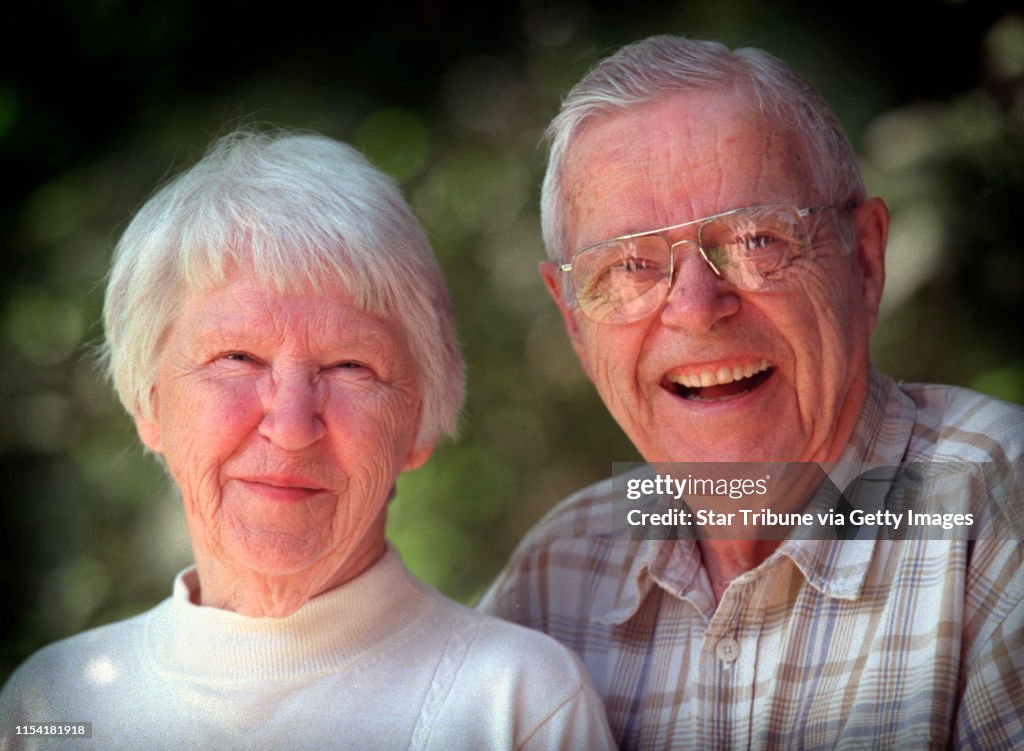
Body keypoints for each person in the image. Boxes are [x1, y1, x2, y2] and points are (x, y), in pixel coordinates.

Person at [480, 35, 1024, 749]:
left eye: (756, 240)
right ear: (575, 323)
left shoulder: (998, 516)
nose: (698, 308)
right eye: (630, 265)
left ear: (863, 260)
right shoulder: (556, 575)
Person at [0, 129, 615, 750]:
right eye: (237, 356)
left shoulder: (516, 703)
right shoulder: (52, 702)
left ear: (418, 423)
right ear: (147, 401)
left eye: (351, 367)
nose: (292, 427)